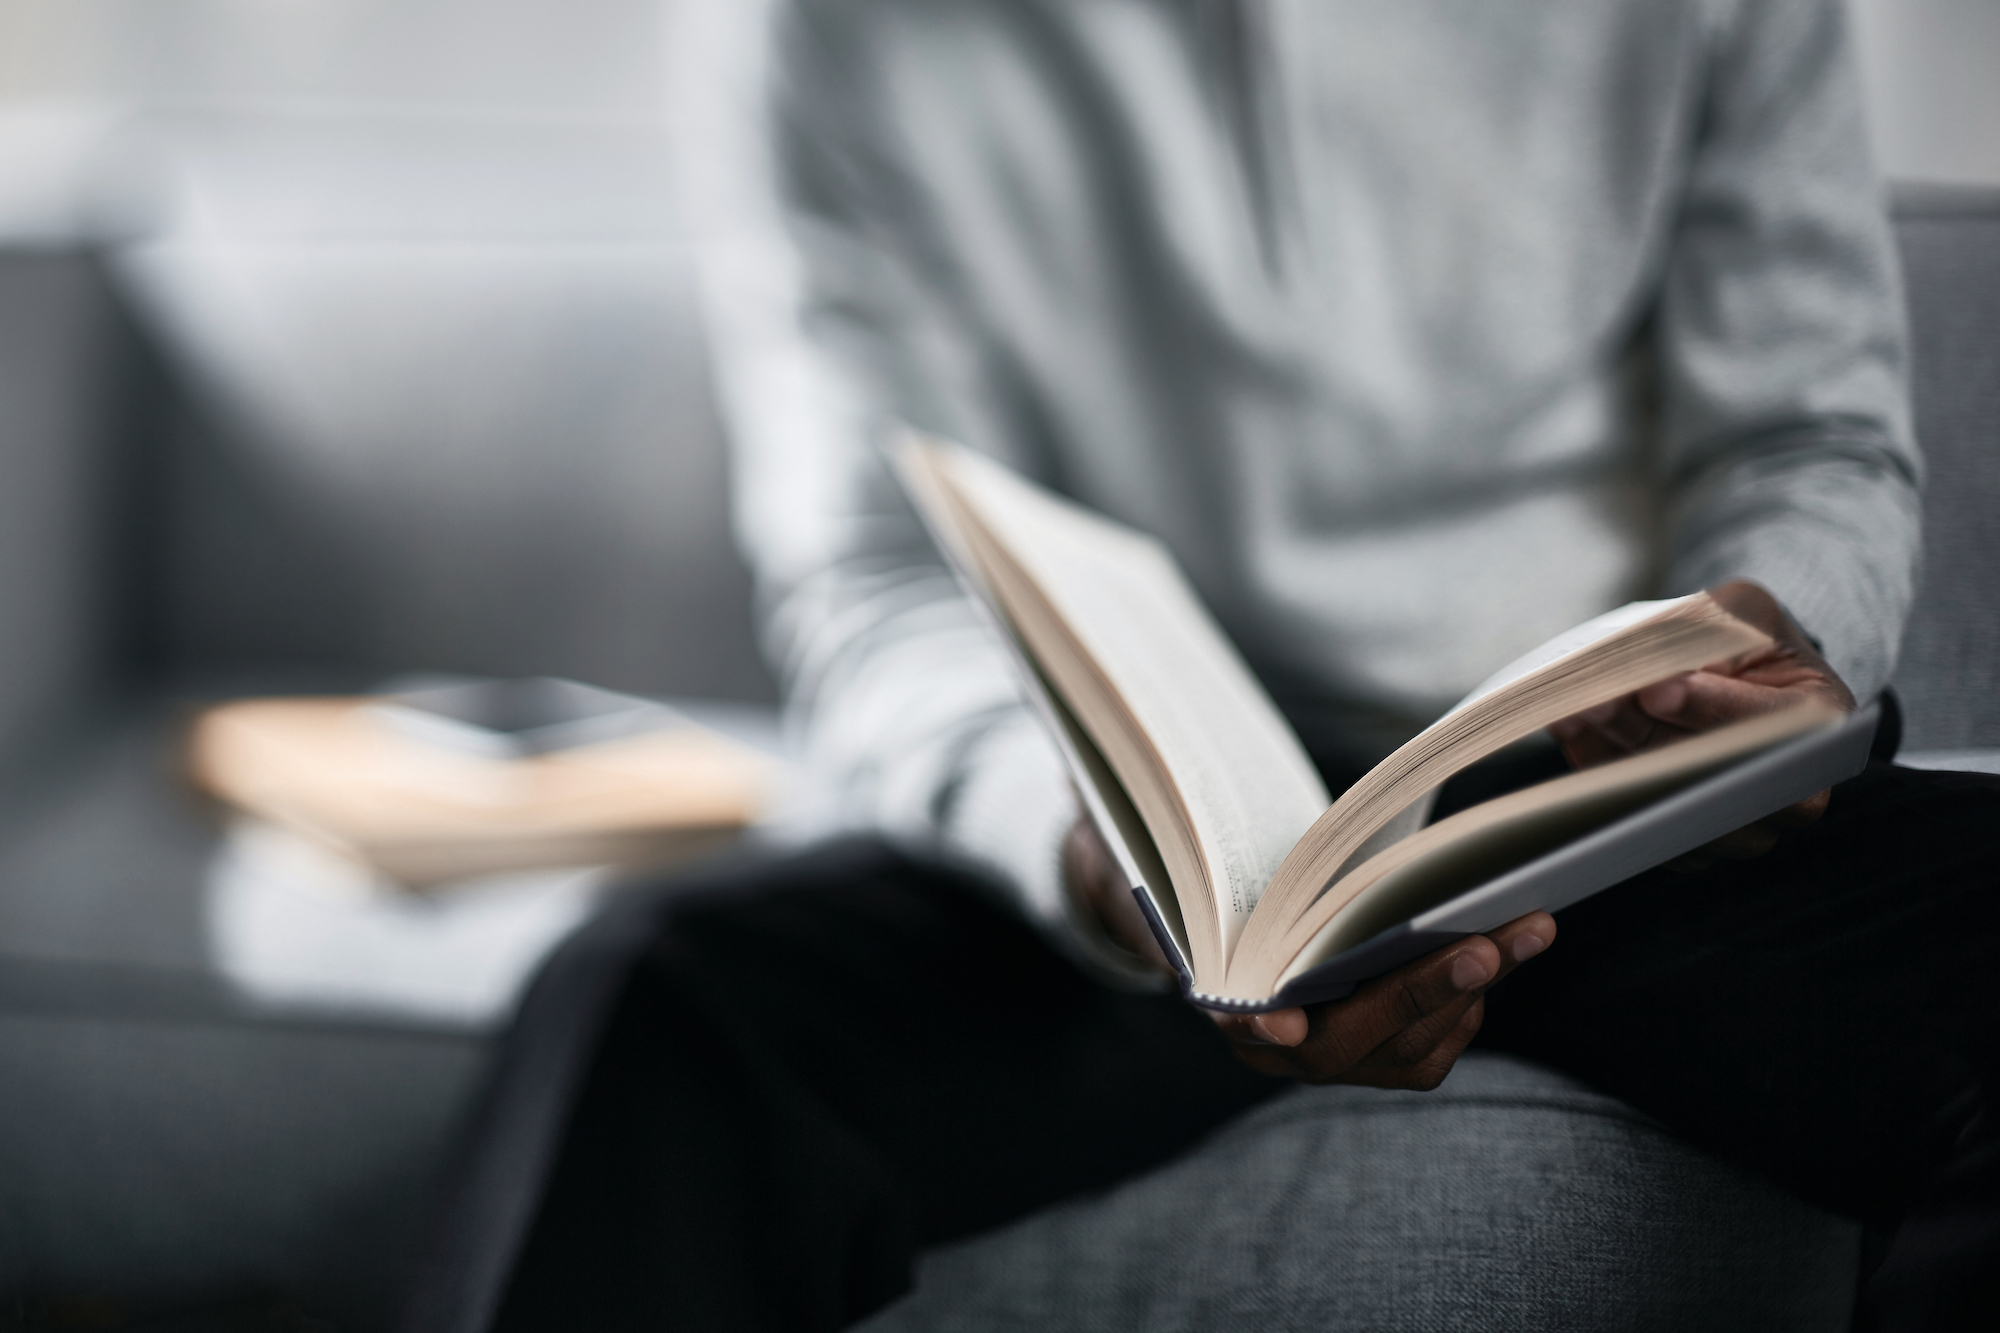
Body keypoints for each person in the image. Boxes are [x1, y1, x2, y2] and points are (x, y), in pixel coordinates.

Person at [400, 2, 1999, 1329]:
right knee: (661, 1012)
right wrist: (1087, 847)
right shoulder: (831, 25)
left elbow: (1807, 439)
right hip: (1162, 828)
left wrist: (1770, 659)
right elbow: (880, 575)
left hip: (1615, 790)